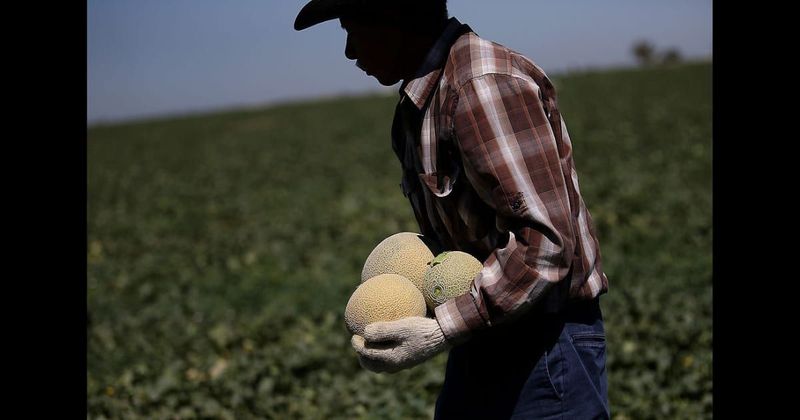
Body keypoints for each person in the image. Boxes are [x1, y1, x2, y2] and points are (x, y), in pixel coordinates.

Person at [295, 1, 611, 418]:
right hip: (484, 337)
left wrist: (441, 328)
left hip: (546, 346)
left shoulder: (481, 86)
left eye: (354, 30)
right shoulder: (419, 104)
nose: (350, 52)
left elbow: (545, 244)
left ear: (398, 19)